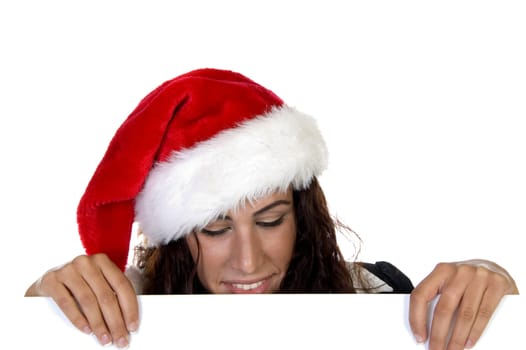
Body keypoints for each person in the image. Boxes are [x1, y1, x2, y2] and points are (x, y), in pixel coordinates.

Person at [25, 68, 519, 349]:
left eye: (270, 220)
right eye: (216, 229)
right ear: (177, 237)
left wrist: (488, 275)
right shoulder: (125, 309)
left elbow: (479, 304)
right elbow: (38, 318)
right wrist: (46, 298)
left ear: (304, 217)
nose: (248, 261)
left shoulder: (375, 295)